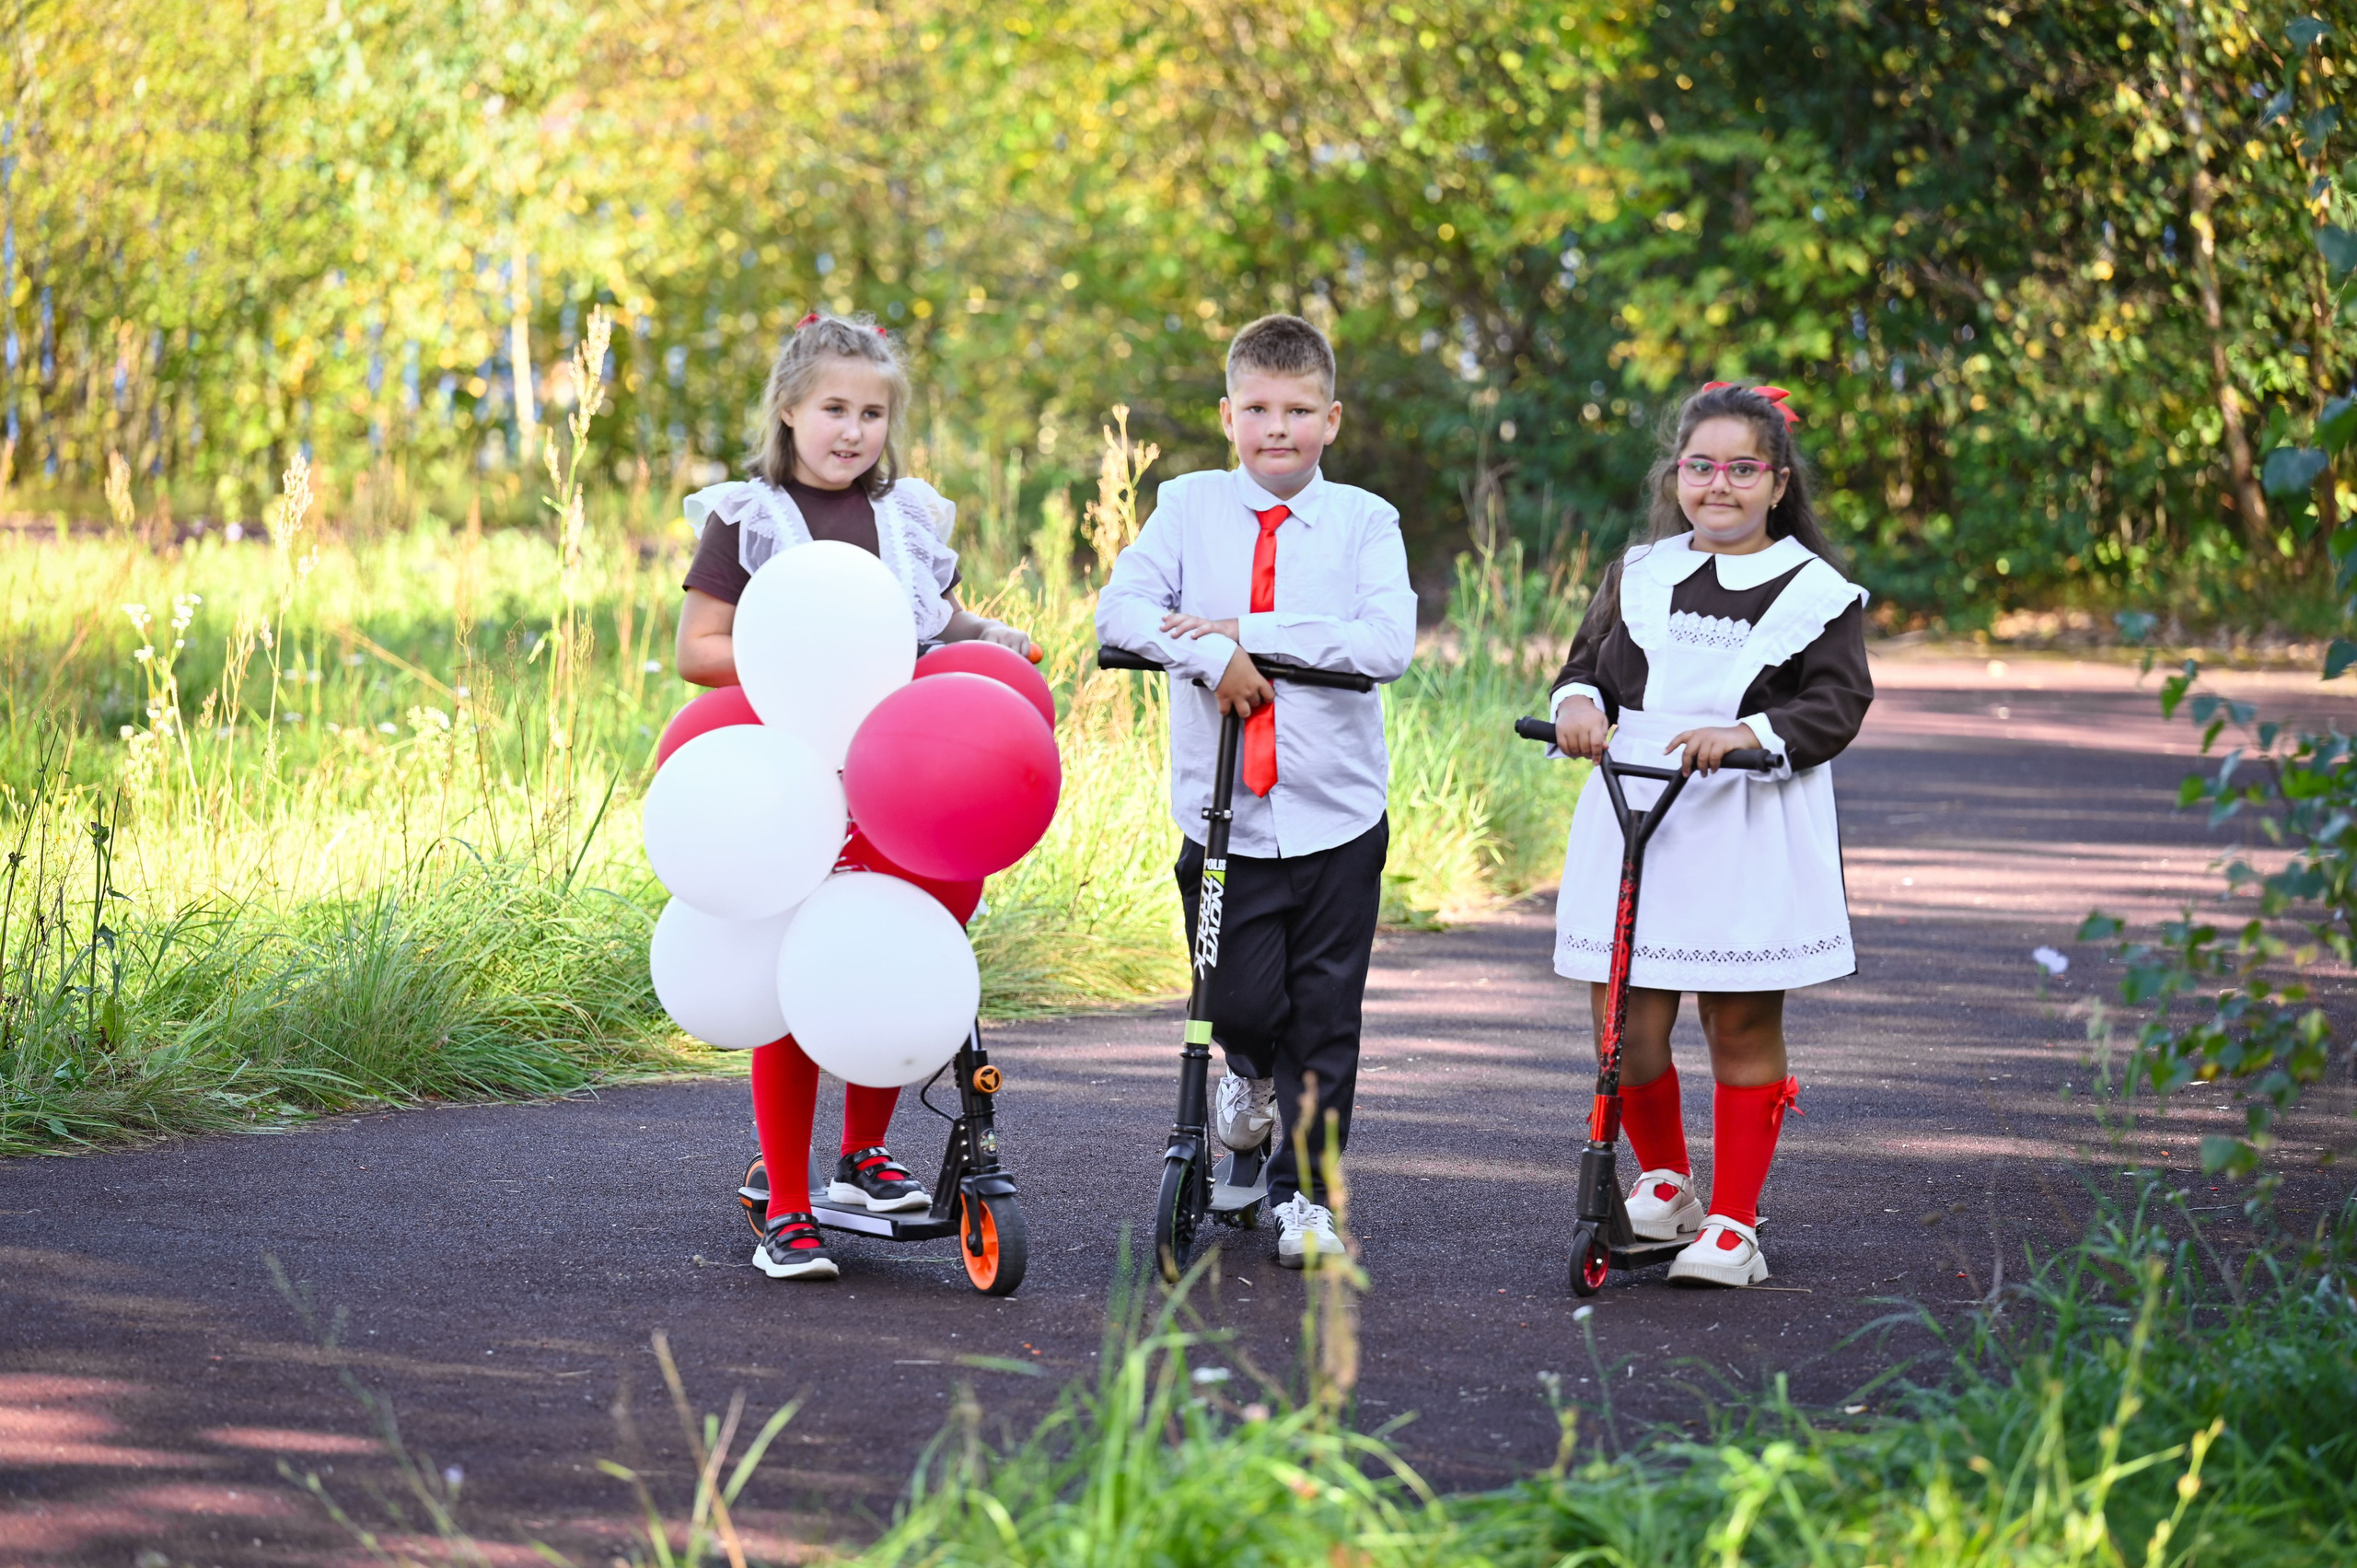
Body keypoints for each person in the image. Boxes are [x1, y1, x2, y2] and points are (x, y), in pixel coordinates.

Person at [676, 309, 1032, 1282]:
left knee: (894, 954)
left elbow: (938, 619)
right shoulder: (750, 519)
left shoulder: (902, 517)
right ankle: (785, 1204)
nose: (852, 430)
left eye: (872, 413)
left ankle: (863, 1153)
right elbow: (694, 647)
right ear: (788, 409)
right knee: (798, 980)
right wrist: (799, 655)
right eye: (833, 407)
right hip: (794, 784)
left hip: (903, 776)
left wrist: (989, 639)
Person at [1096, 313, 1416, 1270]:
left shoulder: (1365, 521)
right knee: (1234, 1002)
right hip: (1221, 811)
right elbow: (1123, 608)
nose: (1278, 427)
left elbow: (1382, 642)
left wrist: (1251, 629)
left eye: (1299, 409)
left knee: (1325, 1013)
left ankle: (1306, 1194)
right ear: (1227, 414)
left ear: (1331, 418)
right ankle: (1246, 1078)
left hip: (1336, 814)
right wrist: (1209, 652)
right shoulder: (1187, 505)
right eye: (1259, 409)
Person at [1548, 381, 1872, 1288]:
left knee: (1735, 1016)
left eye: (1741, 468)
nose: (1717, 484)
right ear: (1675, 475)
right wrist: (1576, 704)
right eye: (1700, 466)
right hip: (1635, 809)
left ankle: (1733, 1220)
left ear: (1777, 482)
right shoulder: (1639, 572)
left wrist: (1749, 737)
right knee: (1625, 1020)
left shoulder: (1814, 591)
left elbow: (1836, 703)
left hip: (1742, 816)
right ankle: (1666, 1182)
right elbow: (1587, 669)